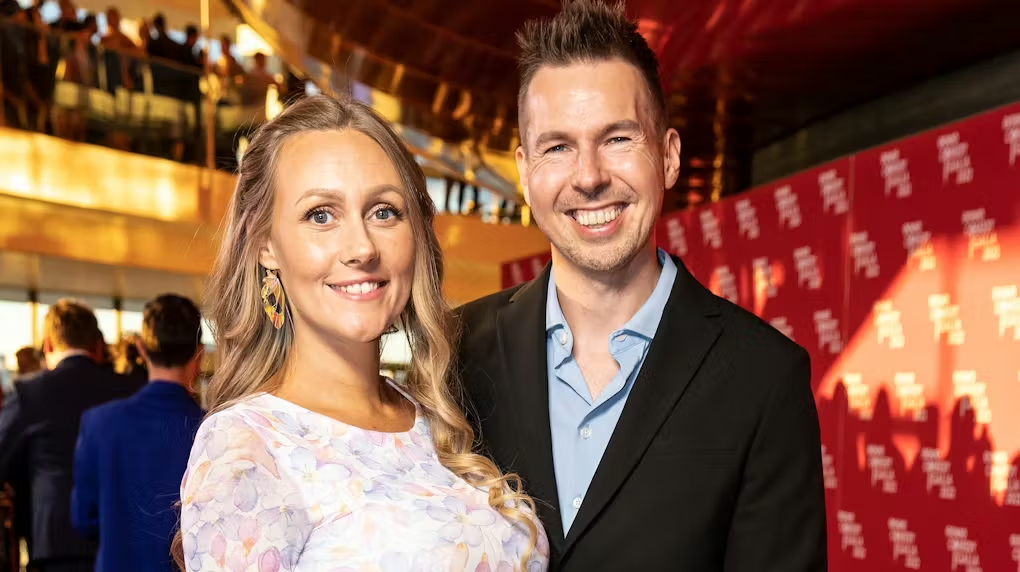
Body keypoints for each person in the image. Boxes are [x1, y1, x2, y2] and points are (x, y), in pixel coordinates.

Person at [456, 1, 827, 570]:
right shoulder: (455, 352)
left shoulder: (764, 377)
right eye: (558, 147)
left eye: (617, 139)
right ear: (525, 173)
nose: (589, 176)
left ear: (668, 156)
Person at [174, 94, 548, 571]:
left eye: (383, 211)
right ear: (265, 245)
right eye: (321, 215)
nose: (362, 248)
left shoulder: (432, 419)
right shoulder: (246, 448)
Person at [0, 300, 143, 572]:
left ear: (47, 346)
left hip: (54, 547)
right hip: (122, 544)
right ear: (98, 346)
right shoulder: (129, 390)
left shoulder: (29, 393)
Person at [71, 294, 205, 572]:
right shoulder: (210, 429)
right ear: (199, 353)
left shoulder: (100, 423)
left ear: (141, 348)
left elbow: (83, 518)